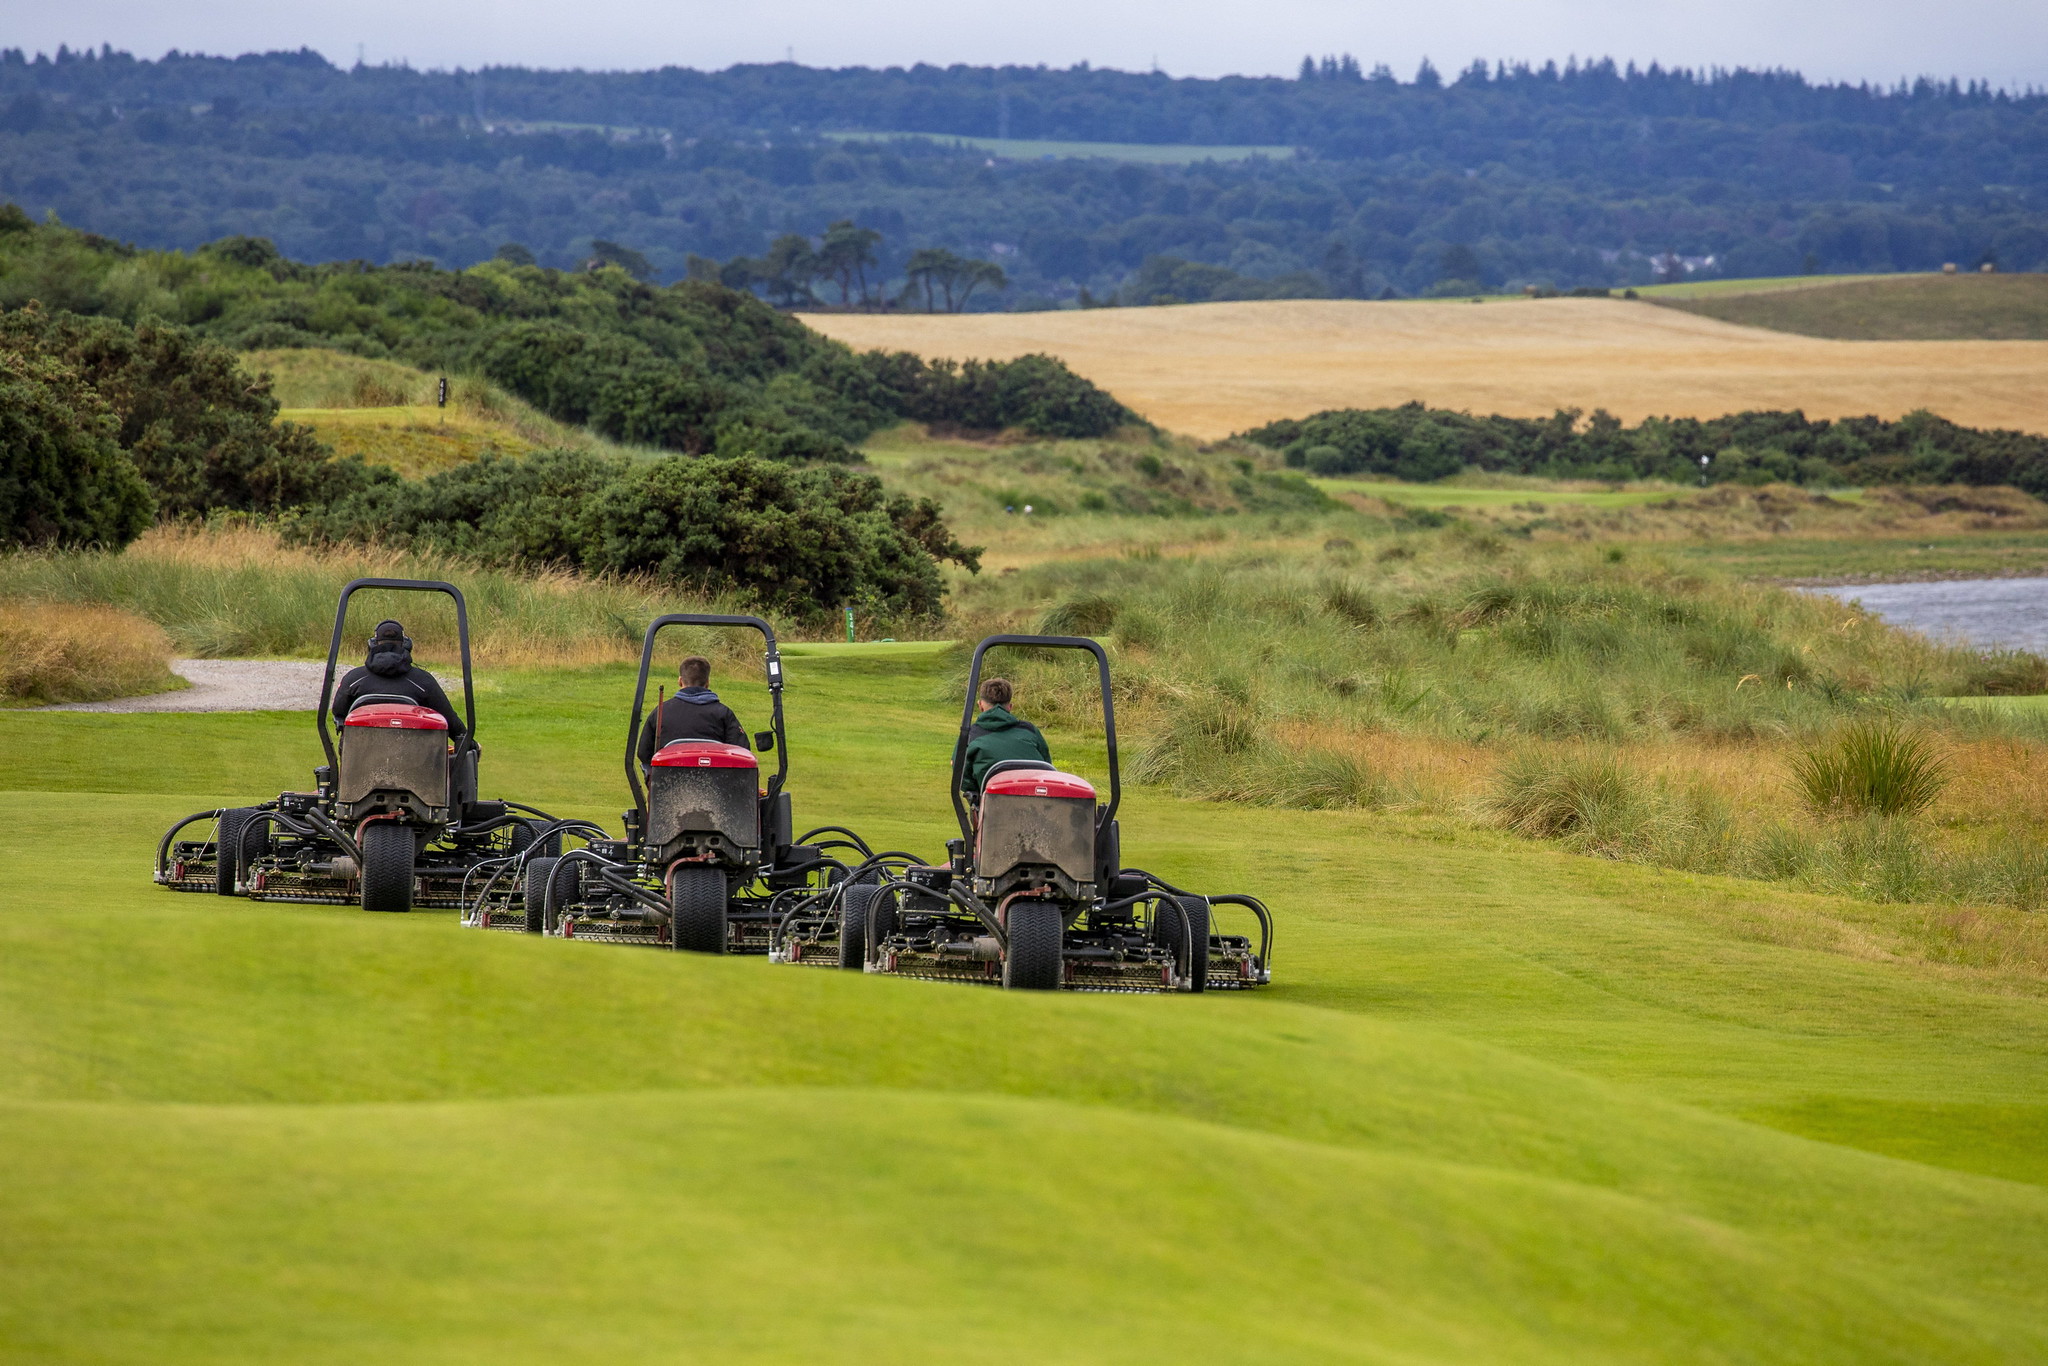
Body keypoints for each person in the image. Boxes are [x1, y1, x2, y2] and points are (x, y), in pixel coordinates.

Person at [330, 619, 465, 739]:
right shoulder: (423, 681)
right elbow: (449, 720)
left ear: (372, 645)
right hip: (414, 760)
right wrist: (468, 742)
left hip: (360, 759)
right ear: (406, 645)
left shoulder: (354, 678)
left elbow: (338, 713)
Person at [637, 655, 748, 765]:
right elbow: (742, 751)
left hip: (669, 779)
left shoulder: (661, 711)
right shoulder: (724, 713)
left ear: (680, 681)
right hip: (715, 780)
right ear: (707, 682)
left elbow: (644, 753)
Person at [960, 677, 1052, 798]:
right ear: (1010, 707)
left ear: (980, 705)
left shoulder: (971, 735)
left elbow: (962, 776)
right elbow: (1047, 764)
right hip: (1034, 800)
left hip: (994, 804)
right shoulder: (1030, 730)